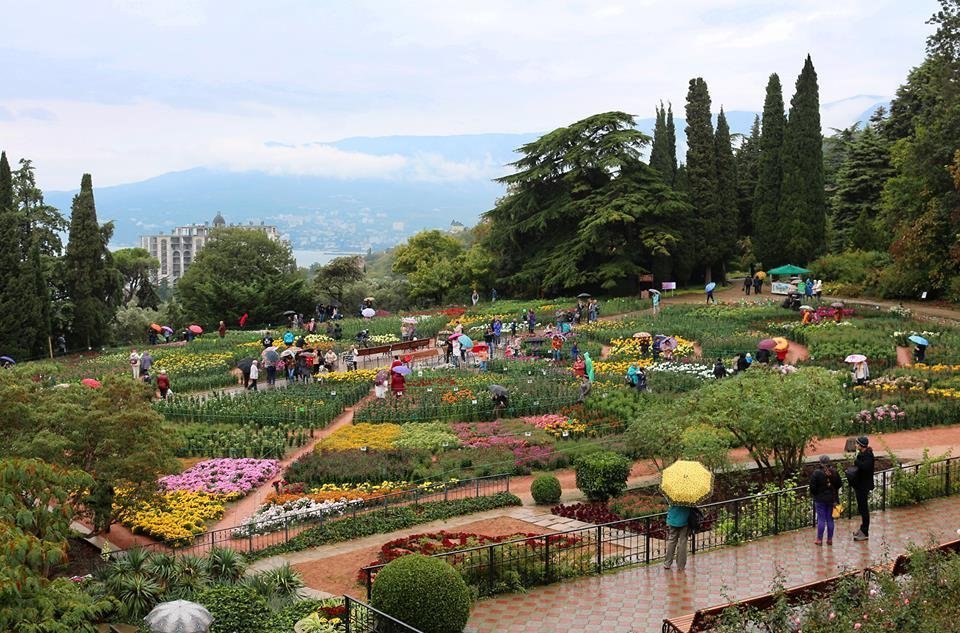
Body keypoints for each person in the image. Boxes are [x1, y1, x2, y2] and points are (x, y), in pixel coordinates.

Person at [810, 454, 842, 546]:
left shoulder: (816, 473)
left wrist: (816, 494)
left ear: (820, 462)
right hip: (832, 499)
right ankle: (829, 540)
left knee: (821, 519)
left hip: (820, 499)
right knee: (830, 519)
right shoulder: (834, 472)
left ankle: (819, 540)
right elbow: (839, 484)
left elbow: (812, 487)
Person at [849, 436, 875, 541]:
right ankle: (862, 529)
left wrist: (856, 462)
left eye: (857, 444)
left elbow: (866, 468)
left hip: (864, 486)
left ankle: (865, 532)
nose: (856, 445)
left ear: (861, 445)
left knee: (864, 509)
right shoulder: (862, 454)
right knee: (861, 508)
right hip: (859, 485)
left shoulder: (868, 455)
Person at [663, 503, 691, 571]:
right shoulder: (689, 497)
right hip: (685, 520)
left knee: (672, 541)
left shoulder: (673, 495)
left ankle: (667, 563)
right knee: (683, 542)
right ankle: (681, 565)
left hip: (673, 520)